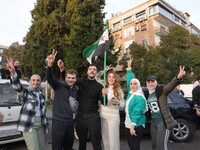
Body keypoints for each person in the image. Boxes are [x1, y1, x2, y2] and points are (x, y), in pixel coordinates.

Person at [58, 60, 103, 150]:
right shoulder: (81, 82)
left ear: (96, 72)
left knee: (96, 143)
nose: (92, 71)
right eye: (90, 69)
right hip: (80, 116)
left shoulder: (99, 86)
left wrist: (104, 94)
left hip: (93, 117)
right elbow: (68, 80)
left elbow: (103, 102)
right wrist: (62, 69)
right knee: (82, 143)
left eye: (94, 69)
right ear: (87, 71)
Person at [6, 58, 48, 150]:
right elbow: (17, 86)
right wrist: (13, 72)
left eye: (38, 80)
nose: (35, 82)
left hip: (40, 125)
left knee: (41, 148)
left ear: (40, 82)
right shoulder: (26, 92)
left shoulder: (41, 94)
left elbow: (43, 111)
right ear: (30, 81)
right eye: (33, 80)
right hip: (29, 124)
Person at [146, 66, 186, 150]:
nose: (151, 84)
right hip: (153, 123)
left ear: (156, 82)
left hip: (162, 123)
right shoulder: (148, 94)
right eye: (148, 82)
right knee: (155, 146)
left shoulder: (161, 90)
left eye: (152, 82)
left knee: (162, 147)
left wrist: (178, 77)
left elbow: (170, 86)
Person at [46, 50, 78, 150]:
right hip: (58, 122)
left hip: (70, 123)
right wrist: (50, 65)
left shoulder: (75, 91)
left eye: (73, 78)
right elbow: (50, 78)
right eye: (68, 77)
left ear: (76, 79)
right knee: (57, 147)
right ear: (65, 78)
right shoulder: (58, 86)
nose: (70, 79)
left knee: (68, 146)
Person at [125, 58, 148, 150]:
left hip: (136, 125)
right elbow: (129, 80)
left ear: (138, 85)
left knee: (135, 147)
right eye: (131, 84)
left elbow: (136, 112)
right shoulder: (131, 93)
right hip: (128, 124)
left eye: (135, 84)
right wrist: (129, 67)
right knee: (131, 146)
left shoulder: (139, 97)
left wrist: (132, 126)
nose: (132, 85)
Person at [100, 71, 124, 150]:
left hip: (113, 118)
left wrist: (118, 102)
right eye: (109, 77)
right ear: (107, 78)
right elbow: (96, 78)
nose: (111, 78)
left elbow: (123, 104)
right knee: (105, 139)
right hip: (103, 116)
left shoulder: (118, 90)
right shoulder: (103, 88)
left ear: (115, 79)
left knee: (113, 140)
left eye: (113, 77)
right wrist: (103, 71)